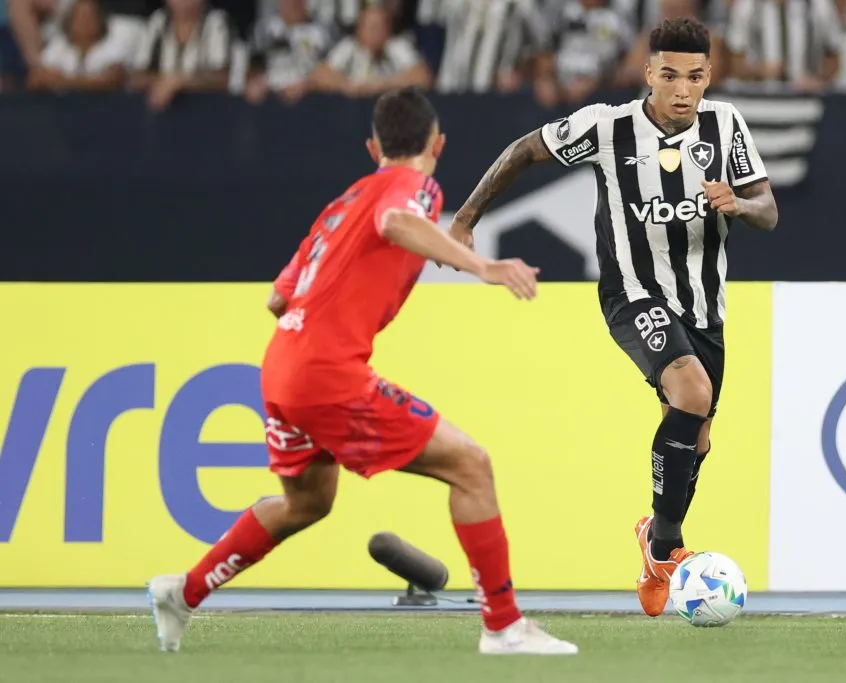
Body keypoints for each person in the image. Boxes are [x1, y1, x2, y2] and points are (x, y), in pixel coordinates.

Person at [147, 87, 578, 656]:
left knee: (307, 502)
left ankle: (183, 591)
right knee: (472, 467)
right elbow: (398, 220)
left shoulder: (342, 203)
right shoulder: (415, 187)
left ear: (373, 146)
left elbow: (279, 299)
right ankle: (504, 626)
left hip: (281, 367)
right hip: (327, 374)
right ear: (438, 144)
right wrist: (480, 264)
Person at [447, 17, 778, 618]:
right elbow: (525, 149)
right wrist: (466, 217)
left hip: (705, 307)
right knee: (691, 388)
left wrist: (741, 204)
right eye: (670, 75)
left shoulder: (726, 123)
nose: (683, 89)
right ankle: (668, 547)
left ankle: (656, 544)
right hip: (632, 293)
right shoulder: (608, 127)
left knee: (696, 435)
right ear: (649, 72)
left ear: (710, 78)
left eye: (696, 77)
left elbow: (769, 209)